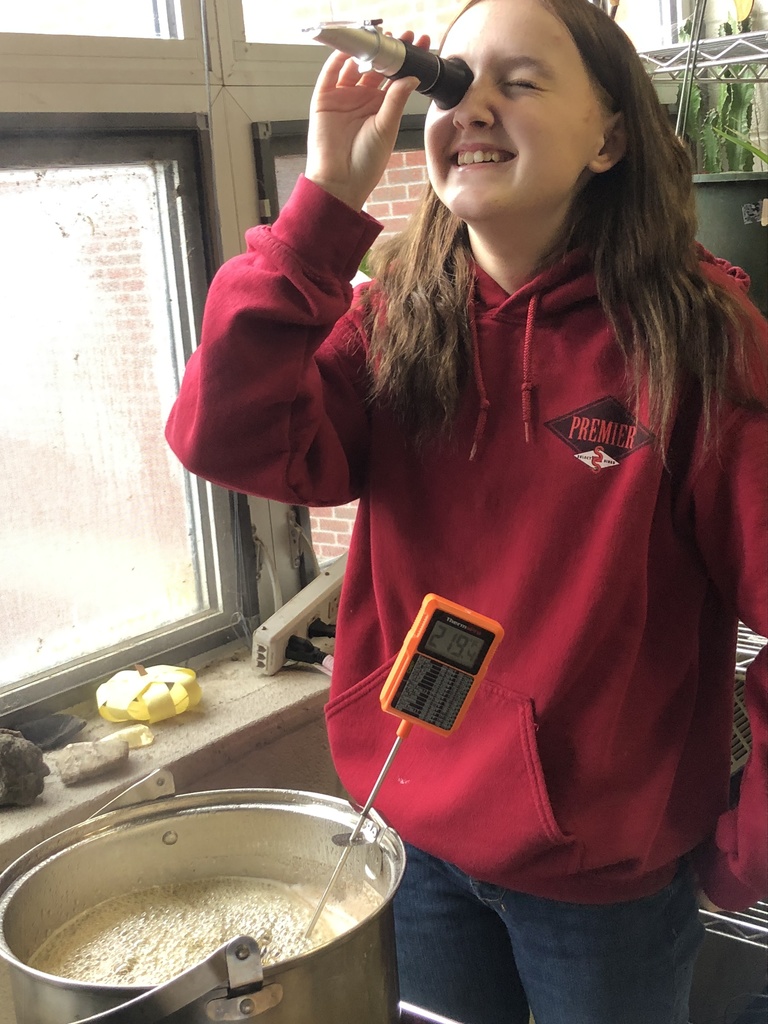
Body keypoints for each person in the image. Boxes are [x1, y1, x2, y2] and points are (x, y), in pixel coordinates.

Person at [165, 0, 768, 1020]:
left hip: (605, 887)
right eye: (454, 81)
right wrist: (319, 213)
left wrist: (747, 844)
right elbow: (221, 435)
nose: (472, 107)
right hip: (410, 843)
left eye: (521, 82)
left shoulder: (696, 344)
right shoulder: (397, 315)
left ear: (611, 135)